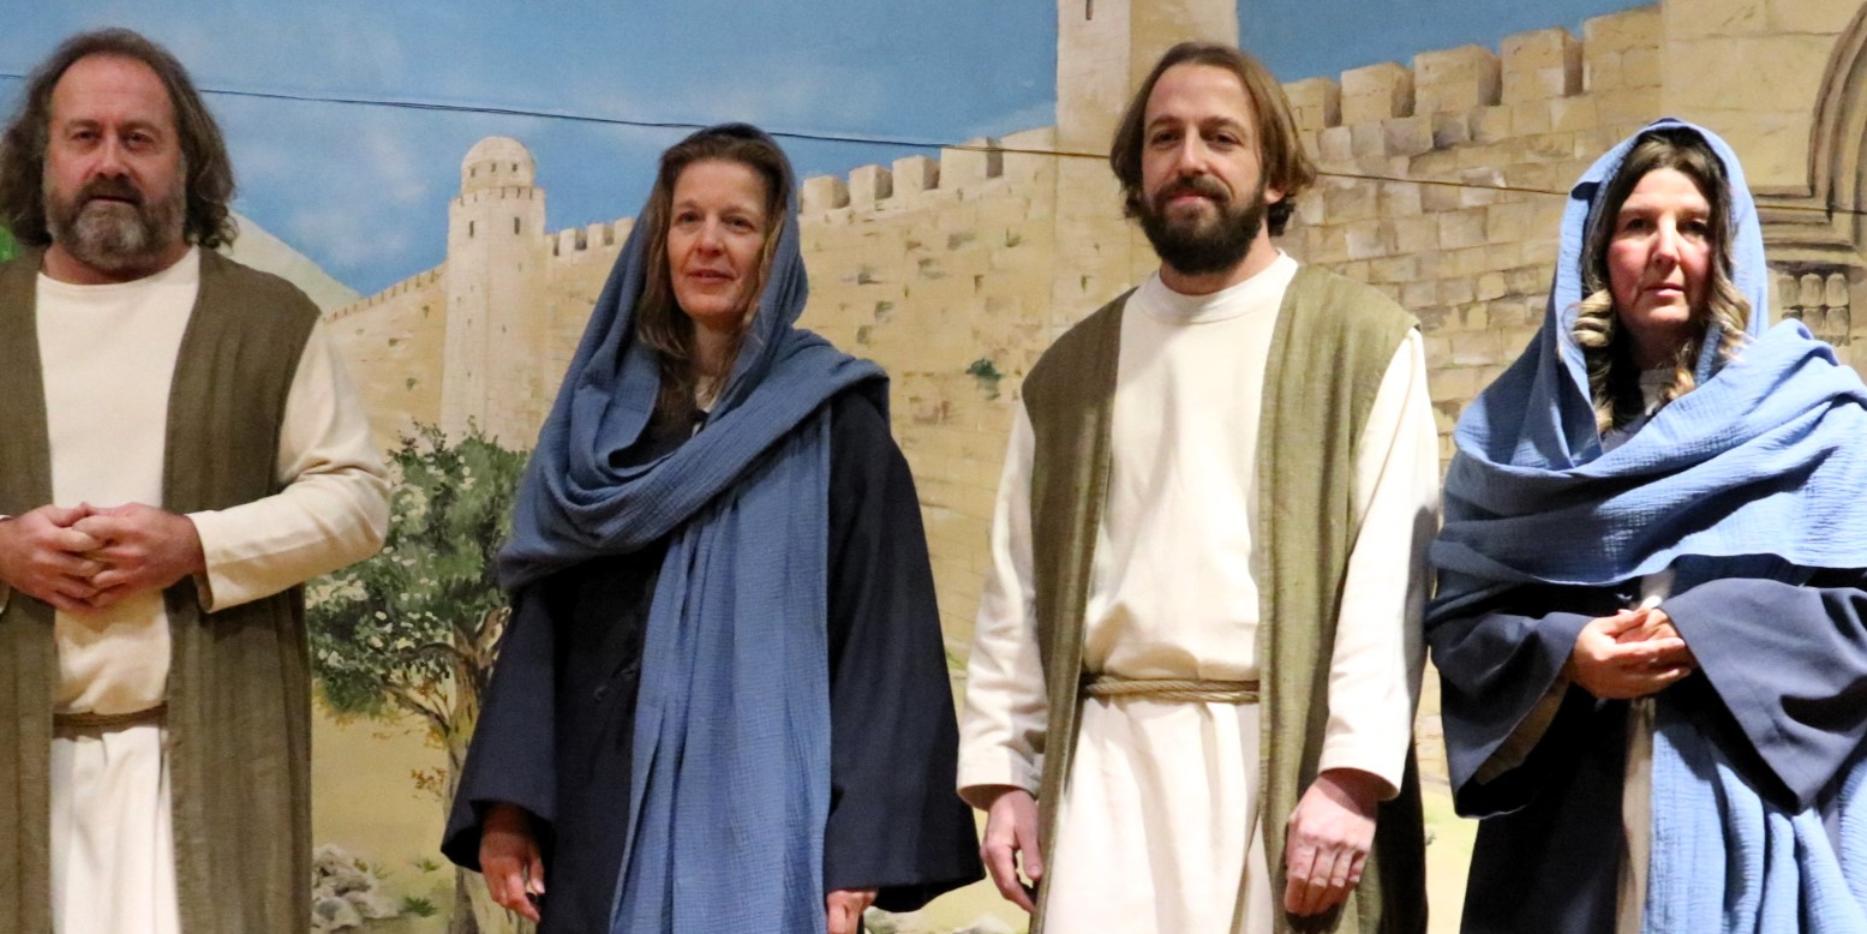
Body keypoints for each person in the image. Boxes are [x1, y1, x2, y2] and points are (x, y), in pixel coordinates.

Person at [440, 123, 981, 934]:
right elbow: (545, 622)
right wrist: (510, 807)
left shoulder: (834, 427)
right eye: (687, 219)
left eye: (737, 223)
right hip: (600, 818)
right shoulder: (604, 427)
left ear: (775, 246)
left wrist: (861, 843)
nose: (708, 244)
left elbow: (883, 646)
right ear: (659, 241)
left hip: (775, 821)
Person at [956, 41, 1435, 933]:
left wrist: (1350, 776)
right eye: (1164, 138)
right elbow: (1015, 590)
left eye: (1221, 137)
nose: (1189, 159)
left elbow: (1390, 578)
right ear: (1136, 174)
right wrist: (1005, 777)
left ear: (1275, 174)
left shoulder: (1362, 344)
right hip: (1104, 776)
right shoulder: (1068, 376)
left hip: (1279, 764)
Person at [1428, 119, 1867, 933]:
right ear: (1596, 252)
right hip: (1564, 832)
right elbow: (1462, 623)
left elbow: (1857, 619)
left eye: (1693, 226)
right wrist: (1566, 655)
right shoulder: (1516, 440)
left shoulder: (1815, 419)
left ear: (1727, 250)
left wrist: (1711, 629)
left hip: (1746, 814)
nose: (1666, 250)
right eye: (1637, 225)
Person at [0, 28, 389, 934]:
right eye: (84, 136)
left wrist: (195, 544)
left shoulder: (268, 321)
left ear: (187, 162)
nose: (109, 162)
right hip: (21, 772)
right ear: (42, 157)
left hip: (209, 772)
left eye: (138, 138)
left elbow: (356, 498)